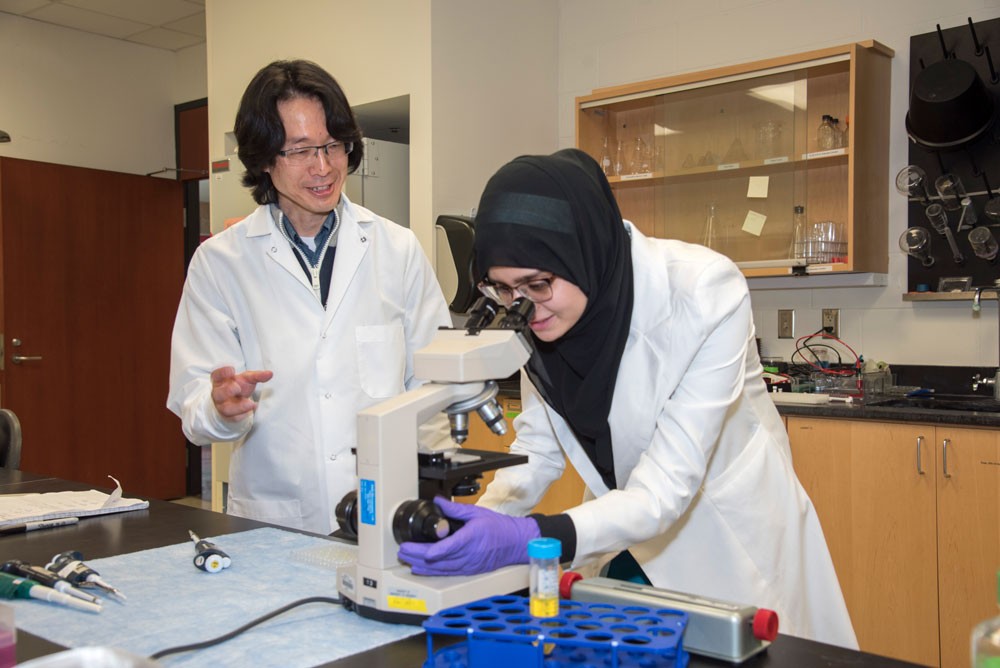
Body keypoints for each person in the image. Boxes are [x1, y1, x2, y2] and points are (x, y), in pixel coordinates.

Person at [397, 148, 857, 648]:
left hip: (727, 537)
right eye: (504, 290)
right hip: (623, 535)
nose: (523, 306)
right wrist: (480, 523)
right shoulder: (544, 317)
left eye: (537, 284)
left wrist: (524, 538)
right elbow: (538, 452)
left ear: (582, 252)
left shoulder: (705, 292)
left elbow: (664, 492)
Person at [167, 60, 450, 534]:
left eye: (332, 145)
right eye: (299, 151)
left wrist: (436, 497)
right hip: (273, 522)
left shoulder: (397, 249)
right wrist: (221, 408)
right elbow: (194, 405)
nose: (323, 168)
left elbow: (433, 387)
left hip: (388, 515)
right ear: (262, 159)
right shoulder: (220, 263)